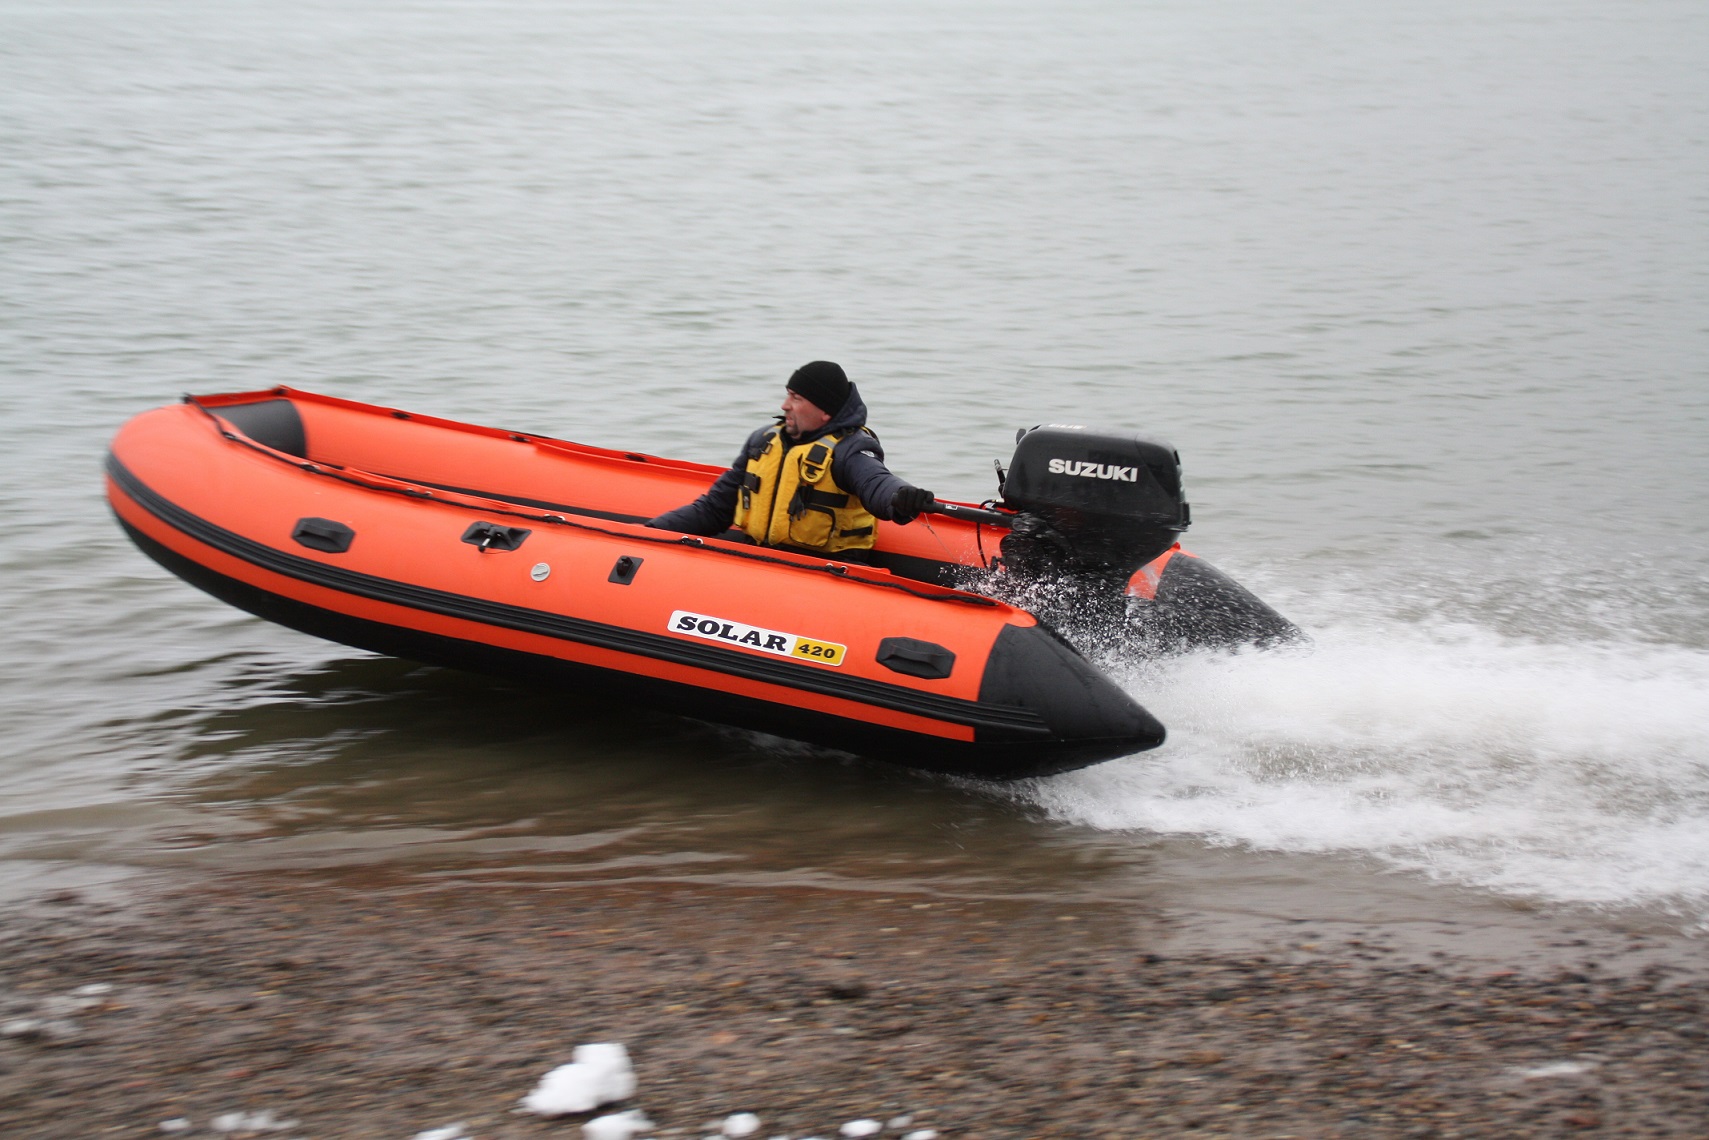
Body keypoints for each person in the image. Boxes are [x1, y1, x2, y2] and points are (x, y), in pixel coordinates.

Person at [645, 361, 934, 559]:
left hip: (824, 572)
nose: (784, 405)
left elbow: (877, 483)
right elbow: (714, 509)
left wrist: (900, 498)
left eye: (796, 398)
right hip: (760, 560)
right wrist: (649, 533)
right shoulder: (763, 441)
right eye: (787, 395)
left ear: (824, 411)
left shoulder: (850, 450)